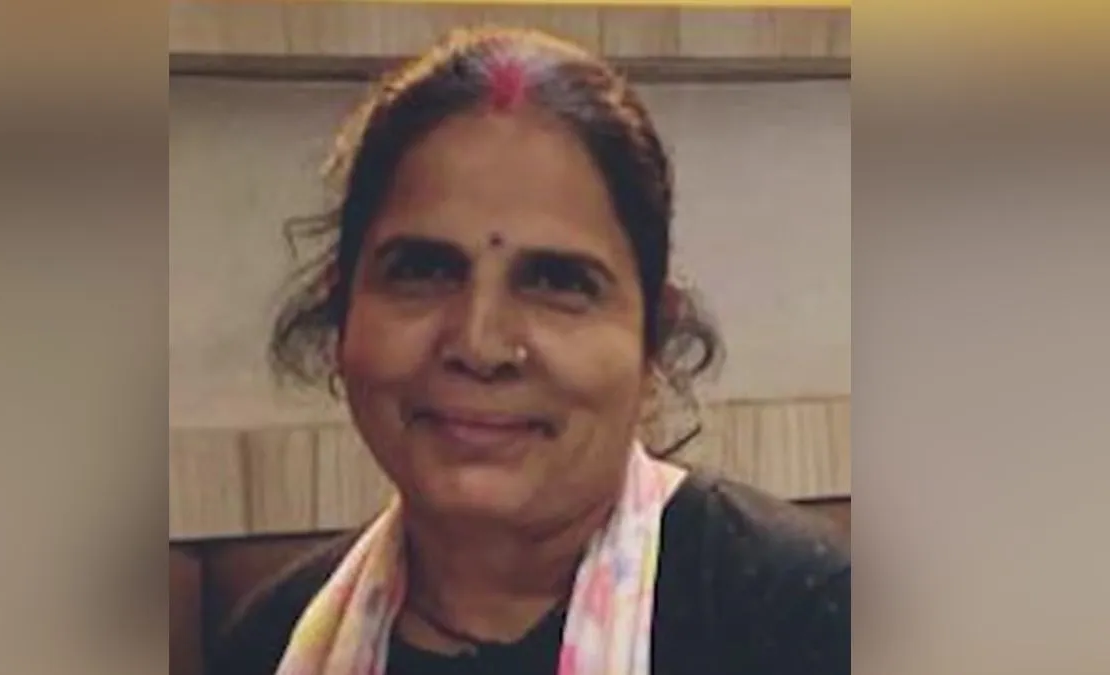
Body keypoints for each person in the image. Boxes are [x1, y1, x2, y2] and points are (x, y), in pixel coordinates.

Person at [211, 26, 849, 675]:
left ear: (653, 335)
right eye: (423, 270)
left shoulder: (804, 619)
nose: (480, 345)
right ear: (341, 310)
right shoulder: (273, 644)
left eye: (556, 282)